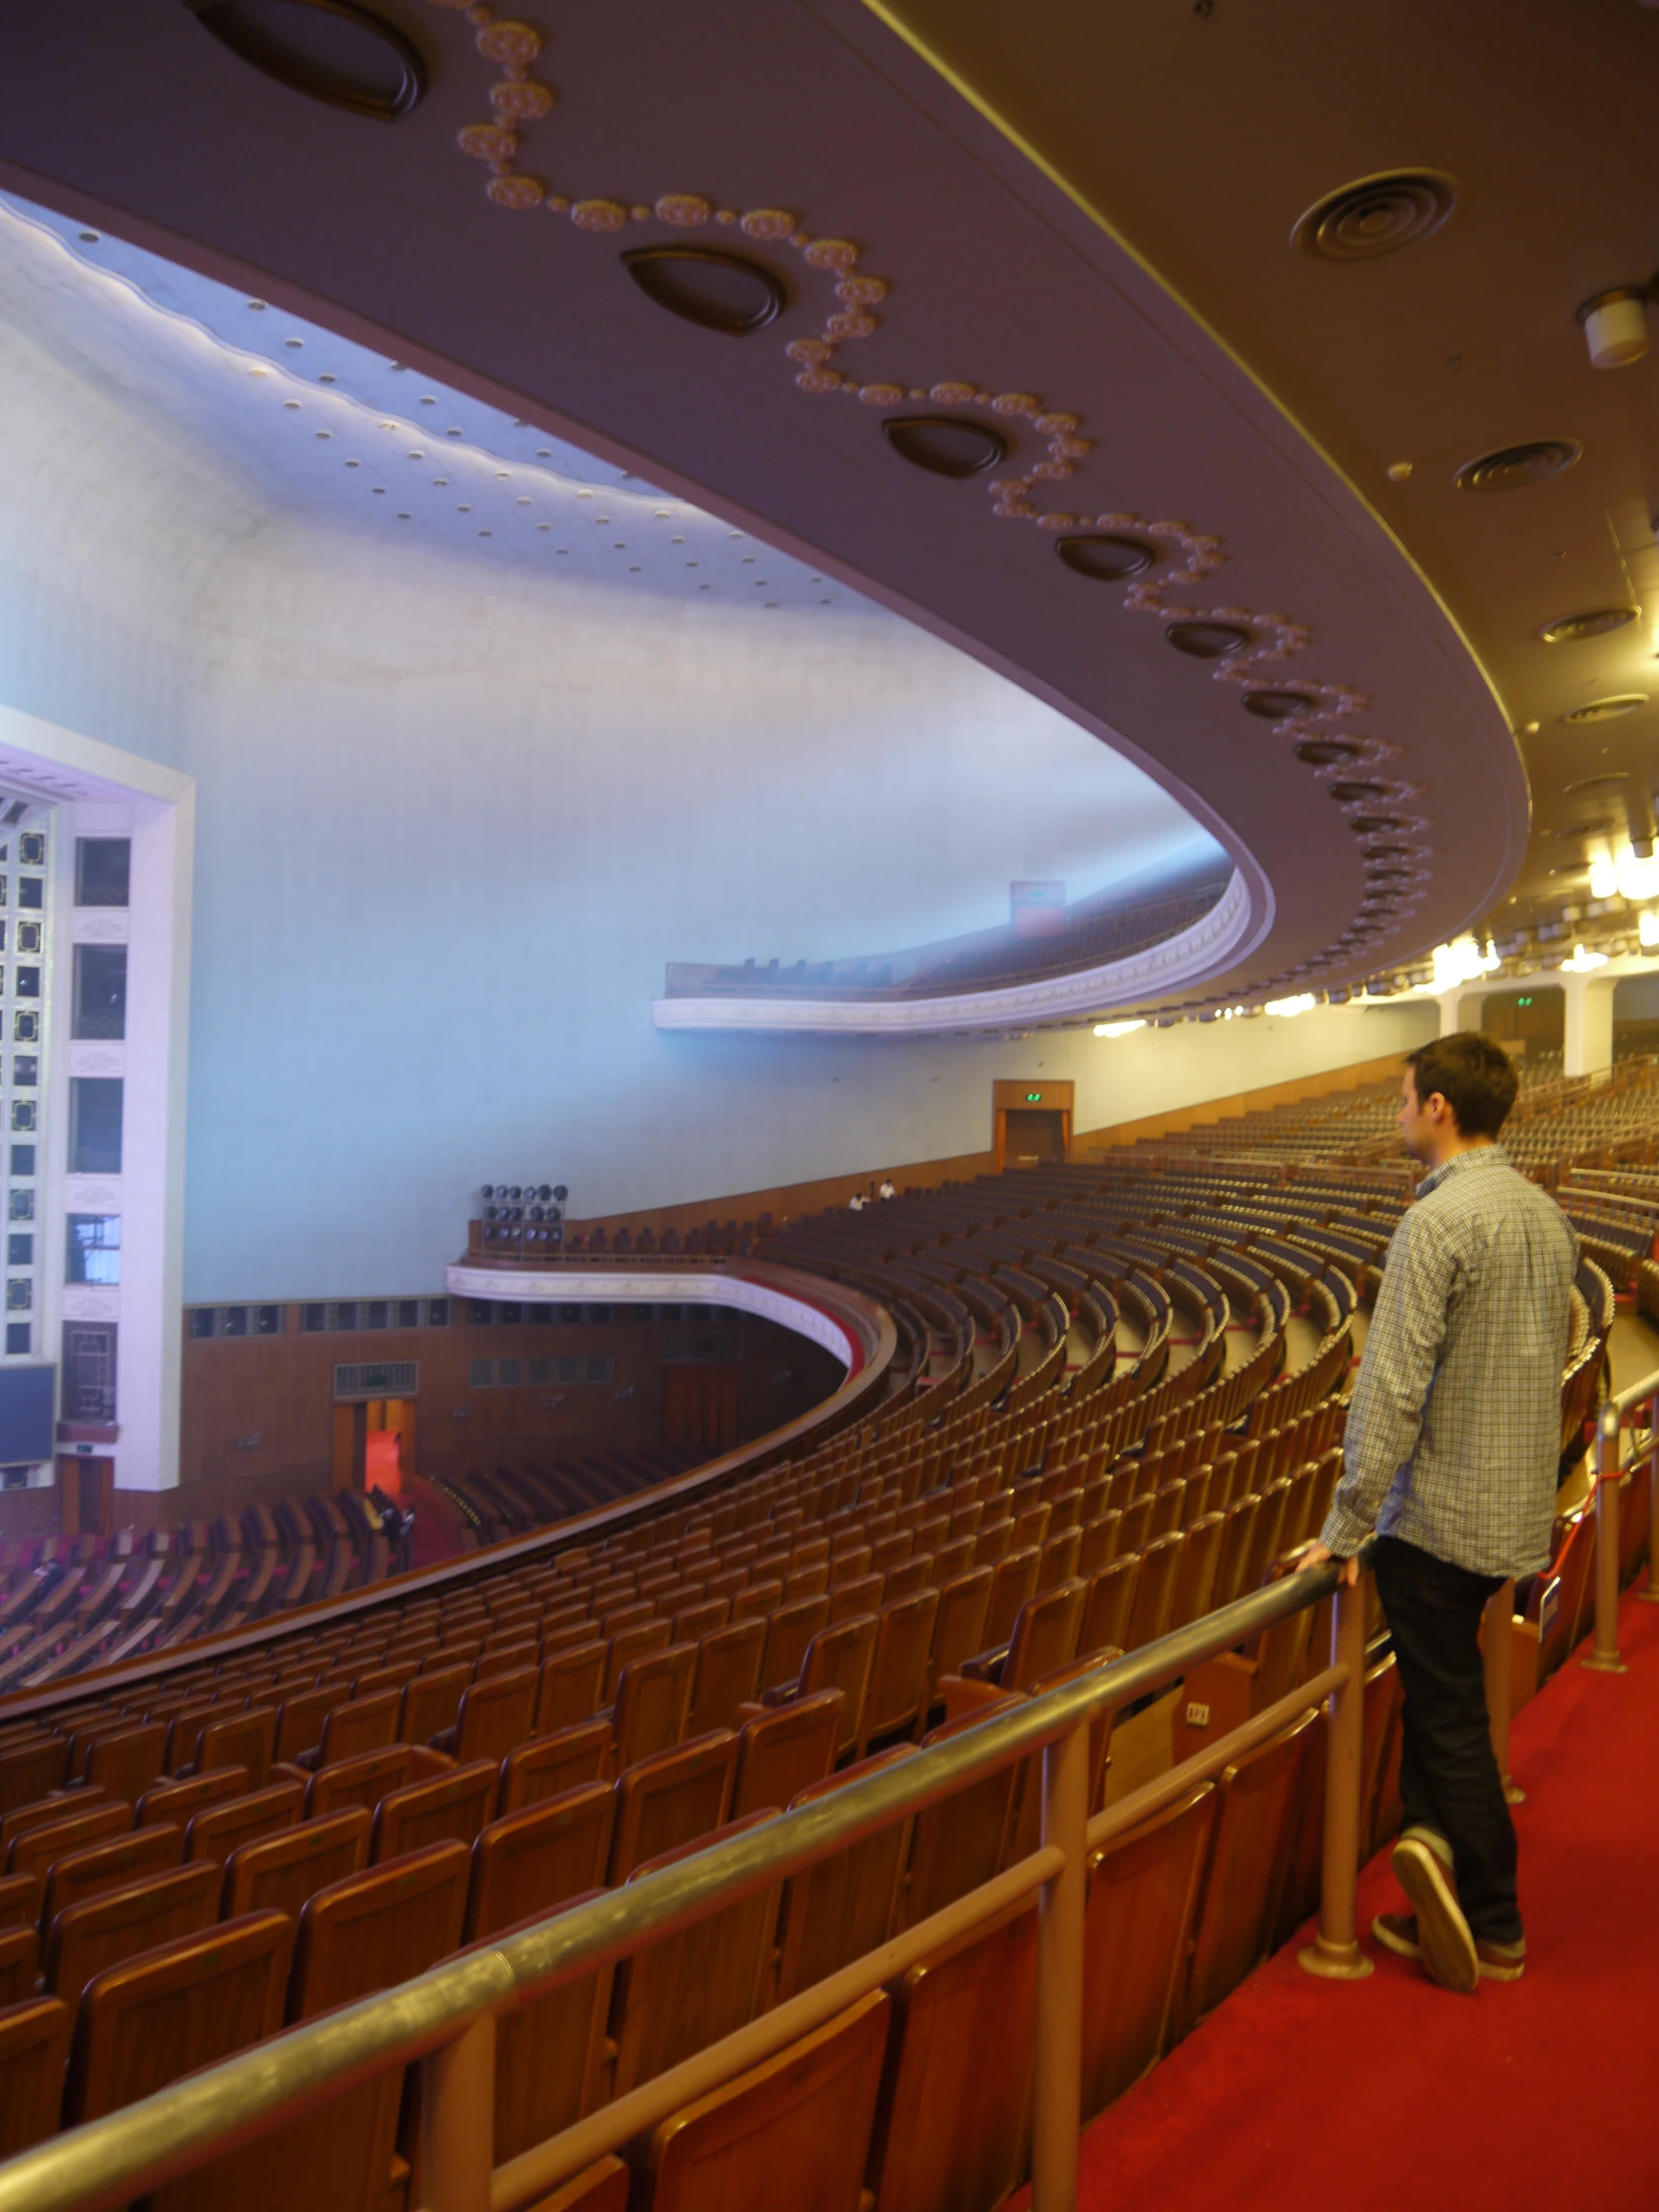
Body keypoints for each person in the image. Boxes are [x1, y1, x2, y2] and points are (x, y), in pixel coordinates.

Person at [1301, 1032, 1576, 1993]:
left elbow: (1390, 1392)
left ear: (1439, 1111)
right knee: (1441, 1696)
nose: (1398, 1113)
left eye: (1404, 1098)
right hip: (1511, 1510)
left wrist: (1345, 1526)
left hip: (1439, 1521)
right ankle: (1431, 1864)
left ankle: (1495, 1922)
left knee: (1449, 1710)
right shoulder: (1545, 1215)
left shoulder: (1437, 1224)